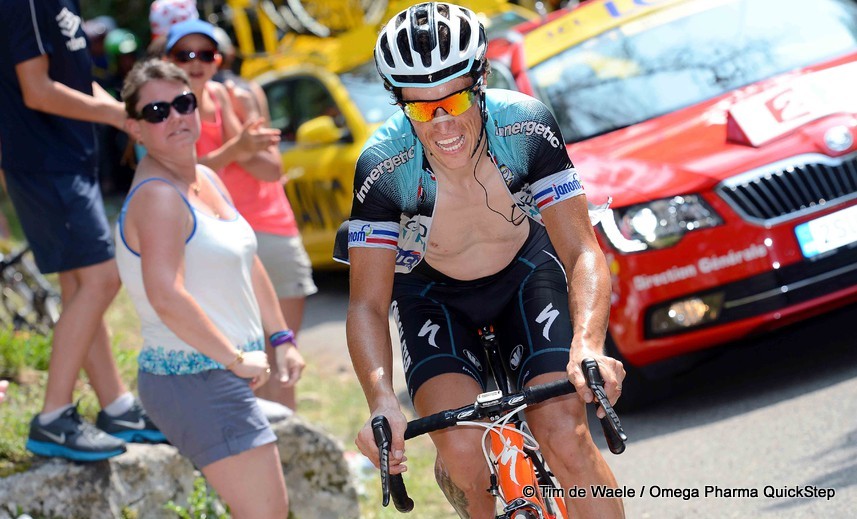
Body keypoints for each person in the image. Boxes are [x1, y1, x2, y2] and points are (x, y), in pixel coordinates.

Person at [333, 3, 626, 517]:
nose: (442, 123)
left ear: (482, 79)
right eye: (421, 109)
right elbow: (367, 306)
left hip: (524, 274)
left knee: (564, 434)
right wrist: (381, 402)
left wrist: (588, 345)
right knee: (464, 454)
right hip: (433, 295)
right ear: (400, 104)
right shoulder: (382, 166)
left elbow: (580, 249)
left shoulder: (526, 127)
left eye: (455, 99)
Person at [116, 58, 303, 516]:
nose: (176, 116)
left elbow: (246, 258)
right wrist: (236, 359)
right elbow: (166, 296)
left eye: (183, 103)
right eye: (157, 112)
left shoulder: (207, 177)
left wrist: (280, 337)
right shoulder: (159, 197)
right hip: (194, 378)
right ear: (135, 129)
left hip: (220, 373)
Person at [0, 0, 164, 462]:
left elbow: (73, 80)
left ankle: (116, 407)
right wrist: (114, 117)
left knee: (80, 285)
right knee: (99, 279)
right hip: (44, 164)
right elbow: (36, 90)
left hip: (68, 160)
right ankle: (53, 418)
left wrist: (121, 109)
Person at [164, 19, 317, 410]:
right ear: (168, 60)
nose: (196, 63)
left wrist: (234, 123)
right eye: (185, 54)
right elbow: (182, 176)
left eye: (206, 54)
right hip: (217, 239)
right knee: (239, 359)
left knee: (284, 356)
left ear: (220, 60)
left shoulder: (239, 96)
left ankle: (287, 453)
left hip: (273, 229)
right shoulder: (163, 111)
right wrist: (237, 146)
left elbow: (271, 169)